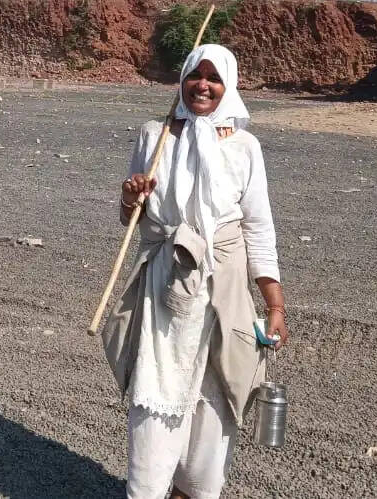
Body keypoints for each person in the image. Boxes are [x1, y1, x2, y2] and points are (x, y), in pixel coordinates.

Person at [102, 44, 287, 499]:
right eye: (195, 75)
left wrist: (274, 301)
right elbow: (131, 221)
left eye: (214, 78)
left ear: (229, 86)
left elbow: (258, 226)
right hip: (164, 289)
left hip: (221, 291)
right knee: (156, 395)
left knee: (214, 402)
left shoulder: (245, 147)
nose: (203, 85)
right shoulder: (155, 135)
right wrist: (132, 196)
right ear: (182, 80)